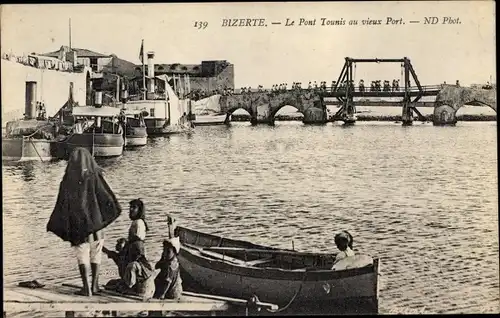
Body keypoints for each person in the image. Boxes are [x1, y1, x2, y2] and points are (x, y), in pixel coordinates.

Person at [46, 147, 122, 296]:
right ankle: (95, 285)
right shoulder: (95, 177)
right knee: (96, 253)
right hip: (97, 224)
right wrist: (105, 215)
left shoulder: (67, 181)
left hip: (79, 225)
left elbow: (62, 204)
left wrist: (57, 223)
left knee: (82, 255)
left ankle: (86, 288)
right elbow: (107, 199)